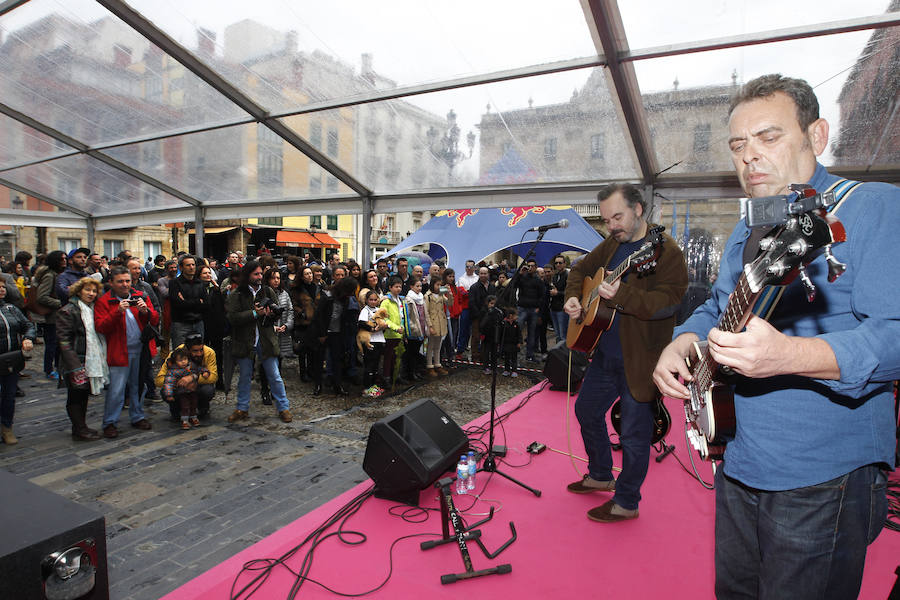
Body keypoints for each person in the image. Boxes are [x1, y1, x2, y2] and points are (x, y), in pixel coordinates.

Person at [652, 74, 899, 598]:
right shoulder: (751, 224)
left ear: (818, 135)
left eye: (769, 138)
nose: (750, 158)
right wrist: (682, 340)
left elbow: (896, 336)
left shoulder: (873, 207)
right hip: (739, 455)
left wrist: (791, 355)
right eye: (739, 146)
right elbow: (720, 307)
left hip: (821, 471)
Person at [563, 183, 687, 523]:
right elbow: (579, 270)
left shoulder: (667, 252)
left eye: (617, 217)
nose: (611, 226)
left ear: (638, 209)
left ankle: (627, 501)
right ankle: (601, 473)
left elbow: (669, 302)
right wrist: (575, 297)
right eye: (606, 220)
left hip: (642, 361)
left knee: (634, 436)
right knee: (587, 411)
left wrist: (622, 296)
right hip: (604, 355)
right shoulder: (610, 245)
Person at [94, 266, 160, 438]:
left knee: (138, 385)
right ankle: (110, 422)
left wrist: (146, 311)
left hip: (140, 348)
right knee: (116, 389)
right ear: (111, 283)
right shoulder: (104, 301)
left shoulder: (140, 296)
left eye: (127, 281)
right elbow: (101, 327)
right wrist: (117, 312)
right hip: (119, 351)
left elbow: (154, 319)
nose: (125, 285)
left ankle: (137, 416)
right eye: (120, 281)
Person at [226, 261, 292, 423]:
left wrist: (271, 314)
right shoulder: (237, 294)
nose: (260, 277)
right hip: (245, 341)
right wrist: (255, 313)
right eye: (256, 274)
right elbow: (232, 318)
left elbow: (277, 313)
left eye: (261, 274)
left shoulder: (268, 291)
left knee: (275, 375)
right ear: (247, 275)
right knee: (244, 376)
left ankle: (283, 407)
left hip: (266, 339)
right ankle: (242, 408)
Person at [56, 277, 108, 441]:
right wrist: (75, 365)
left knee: (83, 394)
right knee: (75, 395)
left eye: (94, 291)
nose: (91, 294)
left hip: (90, 358)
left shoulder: (92, 309)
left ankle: (81, 426)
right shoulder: (68, 310)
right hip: (76, 360)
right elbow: (64, 341)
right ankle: (79, 428)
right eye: (88, 290)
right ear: (78, 291)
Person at [0, 284, 36, 445]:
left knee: (9, 395)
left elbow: (27, 325)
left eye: (2, 287)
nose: (1, 290)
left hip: (10, 359)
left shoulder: (10, 308)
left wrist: (28, 337)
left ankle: (7, 427)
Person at [155, 332, 217, 421]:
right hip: (180, 388)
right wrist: (181, 382)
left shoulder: (209, 352)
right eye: (195, 351)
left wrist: (191, 378)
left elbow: (213, 377)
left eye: (201, 350)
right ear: (187, 351)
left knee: (208, 390)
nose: (199, 354)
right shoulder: (175, 354)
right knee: (166, 390)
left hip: (197, 386)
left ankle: (202, 408)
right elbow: (159, 380)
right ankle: (176, 409)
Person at [314, 276, 359, 396]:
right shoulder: (327, 296)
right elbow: (318, 317)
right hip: (324, 333)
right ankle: (318, 385)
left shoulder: (345, 299)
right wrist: (322, 334)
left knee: (336, 360)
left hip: (337, 333)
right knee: (319, 360)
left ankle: (337, 386)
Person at [258, 268, 293, 406]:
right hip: (267, 333)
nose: (276, 280)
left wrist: (286, 325)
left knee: (278, 361)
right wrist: (272, 327)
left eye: (278, 278)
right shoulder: (262, 294)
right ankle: (264, 390)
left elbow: (290, 310)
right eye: (273, 278)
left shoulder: (284, 294)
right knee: (265, 362)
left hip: (281, 333)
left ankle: (275, 390)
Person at [30, 250, 66, 380]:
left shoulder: (57, 274)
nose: (65, 261)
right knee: (51, 344)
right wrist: (60, 303)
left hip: (57, 316)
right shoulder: (50, 275)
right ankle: (49, 369)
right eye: (62, 259)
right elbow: (42, 297)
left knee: (57, 344)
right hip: (52, 317)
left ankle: (57, 367)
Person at [161, 346, 207, 430]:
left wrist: (205, 372)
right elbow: (168, 383)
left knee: (194, 404)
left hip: (193, 390)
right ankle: (185, 421)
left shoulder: (191, 365)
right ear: (175, 361)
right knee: (185, 406)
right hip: (182, 392)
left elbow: (199, 368)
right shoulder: (173, 371)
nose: (183, 362)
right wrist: (169, 394)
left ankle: (193, 417)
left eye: (185, 359)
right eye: (180, 360)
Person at [291, 266, 321, 388]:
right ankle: (303, 373)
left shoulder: (317, 287)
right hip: (303, 323)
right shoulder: (297, 289)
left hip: (315, 322)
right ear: (302, 276)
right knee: (303, 350)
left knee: (313, 349)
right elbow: (293, 304)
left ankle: (311, 371)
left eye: (310, 273)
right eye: (306, 274)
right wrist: (301, 312)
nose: (309, 276)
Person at [168, 254, 207, 349]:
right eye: (188, 265)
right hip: (181, 323)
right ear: (181, 267)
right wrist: (198, 301)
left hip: (198, 322)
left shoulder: (200, 283)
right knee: (180, 353)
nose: (191, 267)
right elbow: (177, 304)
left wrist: (186, 301)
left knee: (198, 353)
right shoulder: (175, 283)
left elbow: (206, 304)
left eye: (193, 265)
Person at [514, 261, 544, 362]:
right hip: (522, 308)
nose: (530, 268)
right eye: (529, 266)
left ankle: (530, 354)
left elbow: (542, 295)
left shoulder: (538, 280)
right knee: (517, 329)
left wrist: (538, 308)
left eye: (532, 266)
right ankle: (513, 350)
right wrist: (520, 274)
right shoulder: (522, 277)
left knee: (531, 333)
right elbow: (514, 285)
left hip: (533, 309)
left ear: (536, 267)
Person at [358, 290, 386, 397]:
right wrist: (373, 329)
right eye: (371, 300)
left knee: (376, 364)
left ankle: (374, 386)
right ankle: (367, 387)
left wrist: (384, 327)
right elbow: (361, 323)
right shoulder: (365, 310)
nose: (373, 302)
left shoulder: (379, 310)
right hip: (370, 340)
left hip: (379, 340)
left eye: (375, 300)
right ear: (366, 300)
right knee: (369, 364)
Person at [380, 276, 406, 387]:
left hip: (399, 334)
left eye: (400, 286)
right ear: (390, 287)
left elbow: (403, 316)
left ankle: (396, 376)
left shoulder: (401, 300)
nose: (398, 289)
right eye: (396, 287)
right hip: (390, 334)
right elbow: (384, 318)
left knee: (397, 357)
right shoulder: (386, 301)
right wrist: (395, 327)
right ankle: (386, 378)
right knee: (388, 357)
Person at [423, 277, 452, 377]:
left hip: (441, 322)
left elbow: (449, 303)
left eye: (440, 285)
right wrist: (429, 326)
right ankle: (429, 365)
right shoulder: (428, 296)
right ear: (432, 284)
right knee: (430, 345)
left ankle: (437, 364)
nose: (439, 287)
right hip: (433, 322)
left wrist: (449, 294)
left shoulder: (441, 294)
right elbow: (426, 312)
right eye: (437, 285)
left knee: (438, 345)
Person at [402, 277, 427, 381]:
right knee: (411, 353)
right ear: (411, 287)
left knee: (416, 352)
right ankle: (410, 373)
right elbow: (407, 316)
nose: (419, 288)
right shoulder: (408, 299)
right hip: (413, 329)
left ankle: (416, 371)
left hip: (421, 327)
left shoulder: (421, 298)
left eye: (420, 286)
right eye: (417, 286)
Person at [549, 255, 570, 343]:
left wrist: (558, 293)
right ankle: (558, 353)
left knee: (563, 335)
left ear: (564, 264)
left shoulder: (568, 276)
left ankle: (563, 354)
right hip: (553, 307)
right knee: (557, 334)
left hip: (562, 309)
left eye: (560, 263)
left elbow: (569, 293)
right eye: (556, 263)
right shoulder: (555, 275)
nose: (558, 265)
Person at [499, 307, 522, 377]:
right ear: (511, 316)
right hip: (506, 344)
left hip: (514, 344)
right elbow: (501, 334)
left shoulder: (516, 324)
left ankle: (514, 370)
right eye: (515, 315)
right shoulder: (504, 324)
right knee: (507, 358)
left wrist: (519, 342)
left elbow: (519, 334)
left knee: (514, 358)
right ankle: (507, 370)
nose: (517, 317)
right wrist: (500, 344)